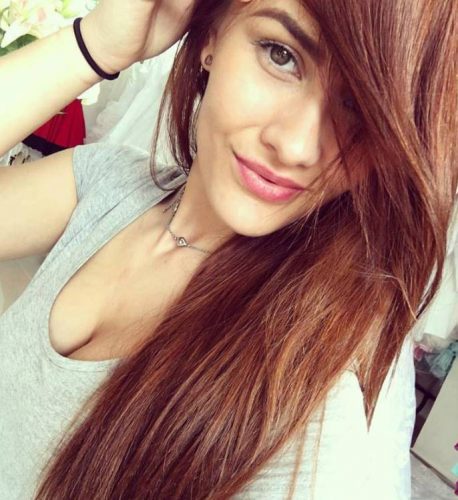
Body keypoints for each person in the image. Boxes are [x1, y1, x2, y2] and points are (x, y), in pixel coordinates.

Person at [0, 0, 455, 498]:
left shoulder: (309, 421)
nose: (297, 146)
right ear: (212, 36)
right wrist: (95, 46)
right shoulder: (106, 183)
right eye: (281, 55)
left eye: (359, 106)